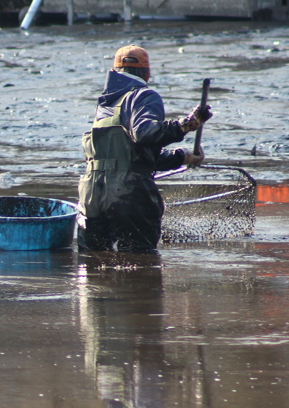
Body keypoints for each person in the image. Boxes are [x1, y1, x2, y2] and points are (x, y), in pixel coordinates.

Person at [78, 45, 212, 252]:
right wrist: (186, 125)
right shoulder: (143, 96)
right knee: (140, 263)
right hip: (128, 194)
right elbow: (145, 134)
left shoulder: (104, 105)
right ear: (147, 73)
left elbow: (130, 156)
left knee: (93, 264)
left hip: (91, 195)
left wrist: (183, 157)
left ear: (114, 71)